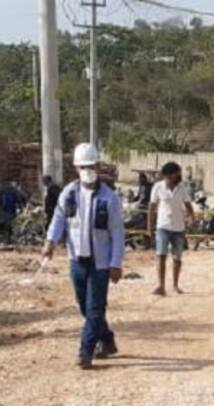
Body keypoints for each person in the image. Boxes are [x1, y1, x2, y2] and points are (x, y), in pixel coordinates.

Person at [43, 143, 126, 369]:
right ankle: (107, 340)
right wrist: (50, 242)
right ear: (76, 168)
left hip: (100, 263)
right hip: (77, 261)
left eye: (91, 165)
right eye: (83, 166)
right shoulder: (69, 194)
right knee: (84, 307)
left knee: (94, 308)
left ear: (98, 166)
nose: (87, 170)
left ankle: (85, 351)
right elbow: (59, 219)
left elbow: (117, 233)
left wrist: (116, 264)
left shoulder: (110, 198)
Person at [148, 161, 195, 296]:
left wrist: (191, 218)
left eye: (170, 176)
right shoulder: (158, 187)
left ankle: (175, 285)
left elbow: (188, 206)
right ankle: (161, 286)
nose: (167, 179)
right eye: (166, 176)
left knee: (177, 258)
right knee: (161, 255)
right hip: (162, 226)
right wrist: (149, 226)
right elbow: (151, 208)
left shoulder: (182, 188)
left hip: (178, 228)